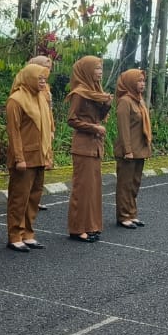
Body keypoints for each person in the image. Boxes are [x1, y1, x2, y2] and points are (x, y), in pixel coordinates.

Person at [5, 63, 53, 252]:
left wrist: (48, 154)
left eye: (44, 79)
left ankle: (28, 233)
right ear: (29, 78)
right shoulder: (16, 100)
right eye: (39, 79)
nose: (42, 82)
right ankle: (15, 235)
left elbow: (48, 128)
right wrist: (19, 158)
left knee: (34, 197)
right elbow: (13, 132)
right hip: (24, 158)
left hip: (39, 156)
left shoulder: (41, 98)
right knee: (19, 197)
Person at [66, 55, 112, 243]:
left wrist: (106, 106)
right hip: (83, 146)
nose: (100, 72)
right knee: (82, 189)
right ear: (86, 71)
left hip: (95, 146)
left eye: (101, 69)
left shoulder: (95, 91)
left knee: (93, 190)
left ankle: (91, 225)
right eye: (96, 69)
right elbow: (72, 119)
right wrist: (93, 128)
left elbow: (98, 116)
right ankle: (77, 229)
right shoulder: (80, 92)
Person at [114, 68, 151, 229]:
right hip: (128, 151)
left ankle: (132, 213)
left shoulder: (140, 100)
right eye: (139, 81)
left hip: (140, 150)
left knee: (135, 183)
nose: (142, 84)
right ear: (130, 82)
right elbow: (123, 129)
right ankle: (123, 216)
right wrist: (127, 150)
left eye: (143, 81)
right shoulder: (125, 101)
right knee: (125, 184)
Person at [28, 55, 56, 210]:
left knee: (41, 166)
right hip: (35, 131)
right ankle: (28, 198)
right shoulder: (30, 86)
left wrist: (51, 128)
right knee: (34, 164)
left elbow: (49, 111)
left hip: (46, 128)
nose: (48, 71)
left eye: (49, 68)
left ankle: (35, 198)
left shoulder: (46, 87)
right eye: (45, 67)